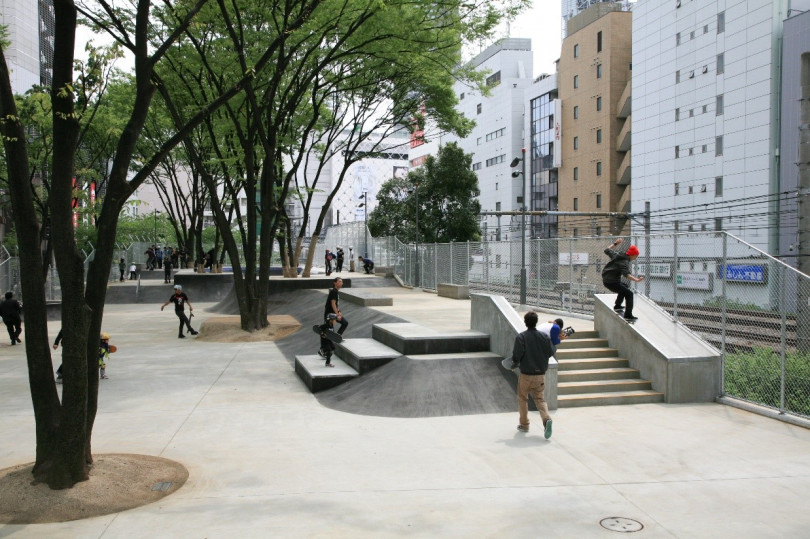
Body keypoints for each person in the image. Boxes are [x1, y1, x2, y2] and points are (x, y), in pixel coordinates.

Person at [510, 311, 554, 439]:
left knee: (523, 399)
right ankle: (546, 419)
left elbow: (517, 355)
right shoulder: (544, 337)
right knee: (540, 399)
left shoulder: (521, 337)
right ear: (536, 322)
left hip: (526, 375)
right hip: (540, 374)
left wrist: (514, 364)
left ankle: (524, 425)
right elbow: (550, 352)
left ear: (525, 322)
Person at [601, 238, 645, 321]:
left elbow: (607, 250)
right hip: (611, 282)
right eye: (636, 256)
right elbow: (626, 274)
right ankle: (628, 315)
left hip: (608, 279)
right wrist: (636, 280)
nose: (636, 258)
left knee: (625, 286)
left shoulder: (617, 255)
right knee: (629, 294)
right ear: (632, 255)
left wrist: (615, 243)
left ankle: (618, 306)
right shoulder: (624, 261)